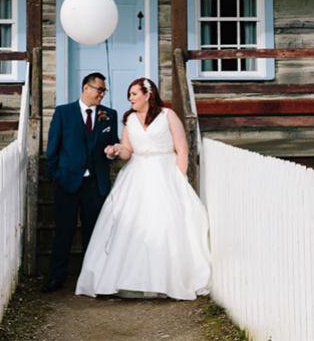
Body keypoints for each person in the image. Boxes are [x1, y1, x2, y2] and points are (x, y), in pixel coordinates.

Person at [75, 77, 212, 300]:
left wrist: (179, 177)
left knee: (164, 223)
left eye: (134, 94)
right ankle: (127, 280)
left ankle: (166, 279)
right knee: (130, 223)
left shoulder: (168, 116)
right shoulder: (128, 119)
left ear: (148, 95)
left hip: (165, 171)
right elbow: (129, 151)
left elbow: (182, 149)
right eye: (129, 95)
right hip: (135, 174)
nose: (130, 98)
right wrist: (117, 150)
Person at [42, 72, 120, 293]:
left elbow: (112, 144)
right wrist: (55, 173)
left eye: (104, 91)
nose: (102, 94)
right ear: (86, 88)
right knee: (63, 232)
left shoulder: (109, 115)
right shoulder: (63, 112)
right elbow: (53, 146)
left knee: (93, 233)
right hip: (67, 181)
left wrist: (112, 153)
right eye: (99, 90)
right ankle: (57, 277)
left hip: (95, 184)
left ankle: (91, 279)